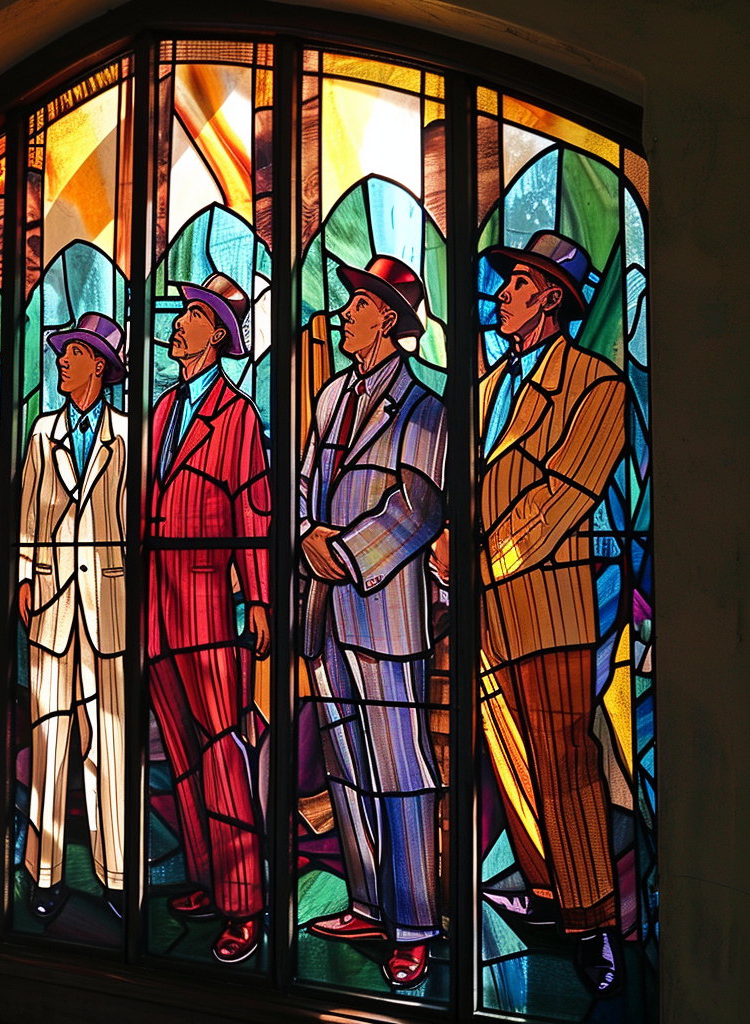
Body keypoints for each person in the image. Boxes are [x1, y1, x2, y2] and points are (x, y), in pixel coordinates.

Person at [478, 231, 626, 997]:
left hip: (550, 600)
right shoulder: (489, 385)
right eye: (507, 283)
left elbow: (567, 495)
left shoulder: (596, 386)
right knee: (511, 759)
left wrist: (477, 561)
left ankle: (595, 922)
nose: (502, 293)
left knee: (566, 761)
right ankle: (546, 897)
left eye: (518, 283)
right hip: (486, 612)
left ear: (552, 301)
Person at [299, 255, 447, 989]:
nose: (343, 315)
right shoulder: (328, 400)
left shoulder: (425, 408)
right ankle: (366, 901)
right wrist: (304, 539)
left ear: (385, 318)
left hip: (385, 612)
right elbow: (304, 488)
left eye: (355, 304)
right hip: (327, 615)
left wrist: (345, 555)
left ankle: (414, 921)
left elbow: (419, 507)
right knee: (346, 767)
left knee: (400, 769)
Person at [147, 272, 271, 964]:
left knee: (223, 747)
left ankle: (244, 902)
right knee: (183, 753)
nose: (179, 323)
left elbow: (255, 512)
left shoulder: (240, 416)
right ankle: (206, 877)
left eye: (193, 314)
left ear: (218, 333)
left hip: (208, 606)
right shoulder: (164, 410)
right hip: (158, 612)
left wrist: (257, 598)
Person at [17, 313, 128, 921]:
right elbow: (31, 513)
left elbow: (137, 525)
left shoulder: (126, 434)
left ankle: (116, 873)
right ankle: (44, 871)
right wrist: (26, 576)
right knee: (49, 741)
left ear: (100, 365)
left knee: (107, 743)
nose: (61, 360)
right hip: (53, 607)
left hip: (109, 609)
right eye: (62, 352)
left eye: (73, 352)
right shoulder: (41, 433)